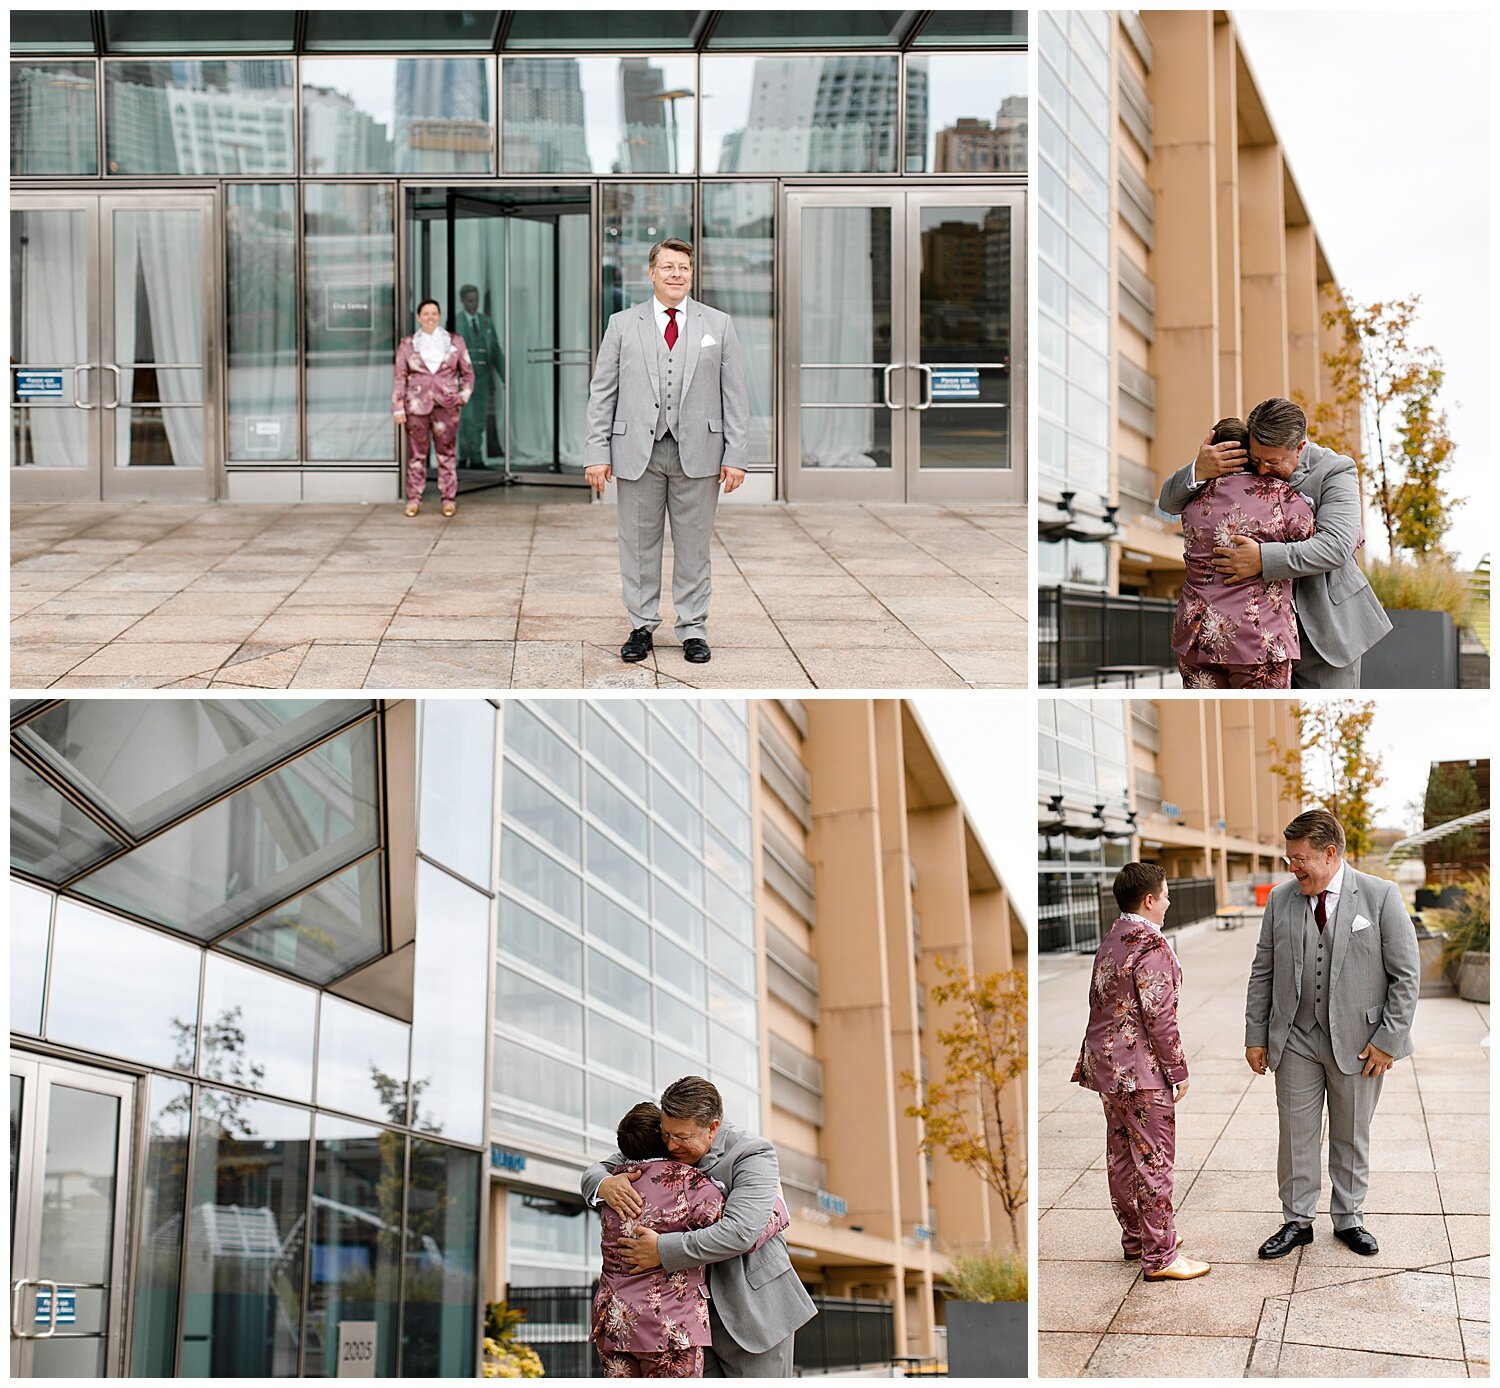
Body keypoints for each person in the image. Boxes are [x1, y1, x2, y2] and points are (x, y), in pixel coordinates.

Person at [1245, 808, 1420, 1260]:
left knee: (1351, 1132)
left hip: (1361, 1042)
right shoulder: (1281, 900)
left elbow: (1406, 976)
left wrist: (1388, 1040)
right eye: (1288, 859)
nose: (1291, 868)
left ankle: (1349, 1218)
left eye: (1299, 858)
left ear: (1330, 853)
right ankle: (1297, 1221)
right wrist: (1255, 1034)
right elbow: (1262, 971)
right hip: (1296, 1037)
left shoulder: (1381, 896)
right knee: (1296, 1133)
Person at [584, 238, 749, 666]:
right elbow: (603, 392)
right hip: (637, 450)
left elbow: (736, 396)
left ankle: (693, 627)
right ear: (652, 273)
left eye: (684, 268)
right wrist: (596, 451)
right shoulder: (622, 324)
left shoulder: (719, 324)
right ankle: (642, 626)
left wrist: (736, 454)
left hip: (700, 450)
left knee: (695, 546)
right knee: (637, 544)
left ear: (691, 275)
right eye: (669, 267)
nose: (677, 274)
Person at [582, 1076, 815, 1376]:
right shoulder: (669, 1140)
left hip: (752, 1313)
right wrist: (604, 1184)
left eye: (681, 1137)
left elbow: (738, 1232)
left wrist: (661, 1250)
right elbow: (596, 1170)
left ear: (712, 1128)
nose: (670, 1145)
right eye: (665, 1134)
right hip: (687, 1323)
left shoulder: (752, 1153)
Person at [1158, 397, 1392, 687]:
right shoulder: (1236, 463)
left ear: (1300, 448)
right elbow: (1168, 502)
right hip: (1254, 637)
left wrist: (1261, 559)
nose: (1263, 472)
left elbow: (1335, 547)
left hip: (1322, 629)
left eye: (1273, 462)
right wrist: (1198, 470)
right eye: (1256, 460)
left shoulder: (1335, 469)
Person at [1072, 862, 1210, 1282]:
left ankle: (1137, 1239)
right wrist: (1178, 1070)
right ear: (1149, 900)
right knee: (1153, 1160)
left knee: (1121, 1156)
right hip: (1142, 1073)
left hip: (1106, 1070)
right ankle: (1161, 1256)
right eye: (1165, 895)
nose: (1168, 902)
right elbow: (1160, 1016)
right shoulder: (1151, 947)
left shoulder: (1112, 940)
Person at [1169, 417, 1315, 688]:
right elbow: (1331, 540)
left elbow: (1167, 501)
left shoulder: (1190, 503)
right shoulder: (1279, 496)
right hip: (1258, 640)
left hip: (1197, 638)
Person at [392, 298, 473, 517]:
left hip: (446, 406)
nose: (430, 317)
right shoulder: (408, 344)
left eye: (434, 313)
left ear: (439, 315)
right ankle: (414, 499)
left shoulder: (454, 341)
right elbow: (400, 376)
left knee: (446, 454)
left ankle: (448, 498)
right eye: (426, 314)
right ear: (419, 317)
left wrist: (462, 397)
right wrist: (398, 407)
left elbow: (467, 373)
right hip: (416, 406)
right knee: (416, 455)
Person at [454, 283, 504, 469]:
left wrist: (504, 375)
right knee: (466, 419)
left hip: (482, 380)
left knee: (479, 420)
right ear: (462, 301)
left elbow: (496, 351)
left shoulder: (486, 322)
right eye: (470, 301)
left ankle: (471, 456)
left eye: (476, 300)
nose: (474, 304)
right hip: (462, 381)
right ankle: (470, 456)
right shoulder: (455, 322)